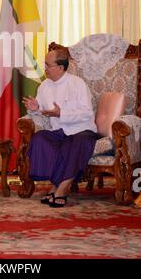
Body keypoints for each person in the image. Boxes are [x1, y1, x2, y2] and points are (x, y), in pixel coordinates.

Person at [22, 49, 99, 208]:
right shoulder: (44, 86)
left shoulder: (77, 83)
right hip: (59, 132)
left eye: (48, 65)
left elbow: (86, 113)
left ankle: (62, 188)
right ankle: (56, 184)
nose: (45, 69)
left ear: (61, 68)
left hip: (82, 130)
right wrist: (35, 108)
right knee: (40, 138)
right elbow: (42, 111)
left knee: (74, 144)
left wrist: (61, 113)